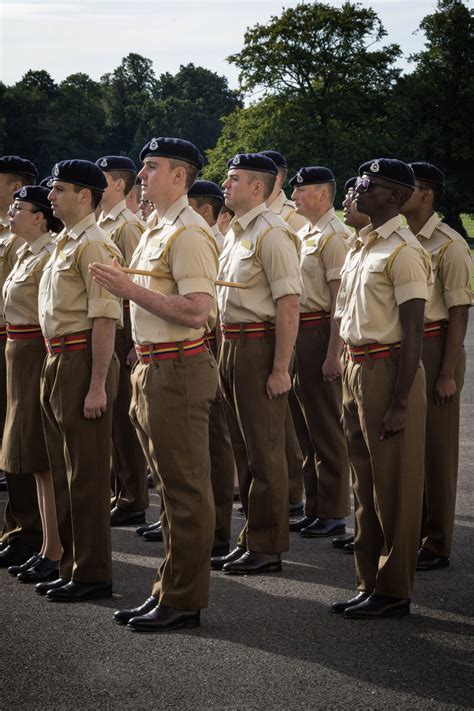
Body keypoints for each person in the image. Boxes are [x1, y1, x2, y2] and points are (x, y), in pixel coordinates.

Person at [89, 136, 219, 632]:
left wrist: (128, 290)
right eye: (143, 168)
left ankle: (183, 598)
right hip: (153, 366)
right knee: (167, 487)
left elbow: (195, 312)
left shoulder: (187, 233)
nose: (142, 176)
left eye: (152, 168)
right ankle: (168, 588)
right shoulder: (157, 228)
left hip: (179, 370)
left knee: (185, 491)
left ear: (181, 176)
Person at [331, 158, 432, 619]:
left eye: (368, 185)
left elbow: (413, 332)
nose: (358, 190)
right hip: (357, 368)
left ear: (394, 196)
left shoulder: (403, 251)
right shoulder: (362, 245)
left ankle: (393, 590)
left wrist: (399, 402)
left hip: (388, 370)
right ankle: (368, 580)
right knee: (364, 483)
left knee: (393, 485)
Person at [212, 152, 302, 575]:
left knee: (265, 451)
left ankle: (267, 545)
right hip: (232, 345)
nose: (225, 185)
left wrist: (281, 367)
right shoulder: (236, 231)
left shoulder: (272, 233)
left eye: (233, 179)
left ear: (257, 188)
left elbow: (288, 304)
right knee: (244, 448)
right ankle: (251, 536)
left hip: (259, 346)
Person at [36, 159, 122, 602]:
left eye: (59, 189)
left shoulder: (96, 245)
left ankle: (92, 573)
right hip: (57, 360)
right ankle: (71, 564)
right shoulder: (65, 242)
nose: (50, 196)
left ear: (85, 196)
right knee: (65, 468)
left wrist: (97, 384)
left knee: (86, 474)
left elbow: (105, 319)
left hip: (81, 362)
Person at [401, 162, 472, 570]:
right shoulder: (401, 239)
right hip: (408, 345)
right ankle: (412, 532)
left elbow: (459, 312)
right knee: (411, 446)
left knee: (437, 450)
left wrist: (446, 373)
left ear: (426, 195)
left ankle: (438, 541)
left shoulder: (449, 245)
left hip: (435, 346)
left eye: (407, 187)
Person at [2, 186, 63, 583]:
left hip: (36, 352)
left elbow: (48, 315)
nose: (11, 212)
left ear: (39, 217)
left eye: (19, 208)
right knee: (27, 453)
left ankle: (52, 546)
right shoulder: (26, 252)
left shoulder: (48, 254)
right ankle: (43, 544)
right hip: (17, 349)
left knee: (40, 453)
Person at [288, 166, 351, 538]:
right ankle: (315, 505)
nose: (294, 197)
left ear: (324, 195)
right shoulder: (305, 233)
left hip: (319, 332)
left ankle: (332, 509)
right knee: (305, 427)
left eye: (301, 191)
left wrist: (333, 353)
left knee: (326, 425)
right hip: (300, 331)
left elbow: (338, 303)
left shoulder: (334, 237)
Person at [96, 155, 148, 527]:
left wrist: (133, 340)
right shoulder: (102, 223)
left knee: (124, 417)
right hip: (106, 325)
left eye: (102, 178)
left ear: (118, 184)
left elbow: (137, 286)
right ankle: (120, 490)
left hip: (123, 327)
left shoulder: (128, 226)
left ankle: (133, 497)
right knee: (113, 417)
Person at [188, 179, 236, 557]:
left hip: (210, 343)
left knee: (215, 446)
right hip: (205, 342)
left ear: (204, 210)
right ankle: (205, 527)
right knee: (194, 446)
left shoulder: (207, 241)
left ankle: (219, 531)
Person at [0, 155, 43, 568]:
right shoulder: (16, 240)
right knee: (12, 440)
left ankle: (32, 531)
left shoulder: (30, 245)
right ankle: (20, 527)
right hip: (13, 341)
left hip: (33, 345)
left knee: (25, 439)